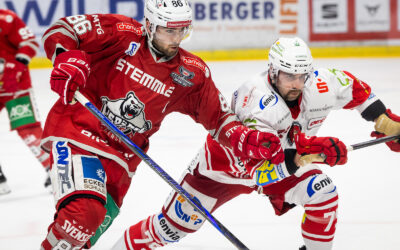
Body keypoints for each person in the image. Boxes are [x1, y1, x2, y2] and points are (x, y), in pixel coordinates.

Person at [113, 37, 400, 250]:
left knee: (322, 193)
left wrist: (384, 120)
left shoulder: (319, 83)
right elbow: (259, 172)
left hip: (283, 163)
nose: (297, 83)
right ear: (273, 71)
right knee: (169, 230)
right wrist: (307, 156)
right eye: (289, 75)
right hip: (221, 172)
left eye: (302, 75)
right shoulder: (256, 102)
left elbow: (356, 89)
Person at [39, 0, 285, 249]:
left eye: (182, 30)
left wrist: (244, 138)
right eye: (169, 30)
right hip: (79, 132)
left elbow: (219, 118)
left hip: (123, 159)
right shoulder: (120, 33)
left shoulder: (190, 73)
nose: (176, 38)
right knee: (83, 217)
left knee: (80, 238)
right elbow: (63, 29)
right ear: (149, 25)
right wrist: (65, 58)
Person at [0, 9, 51, 195]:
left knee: (27, 127)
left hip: (14, 83)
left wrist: (16, 66)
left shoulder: (6, 18)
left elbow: (30, 43)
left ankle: (54, 170)